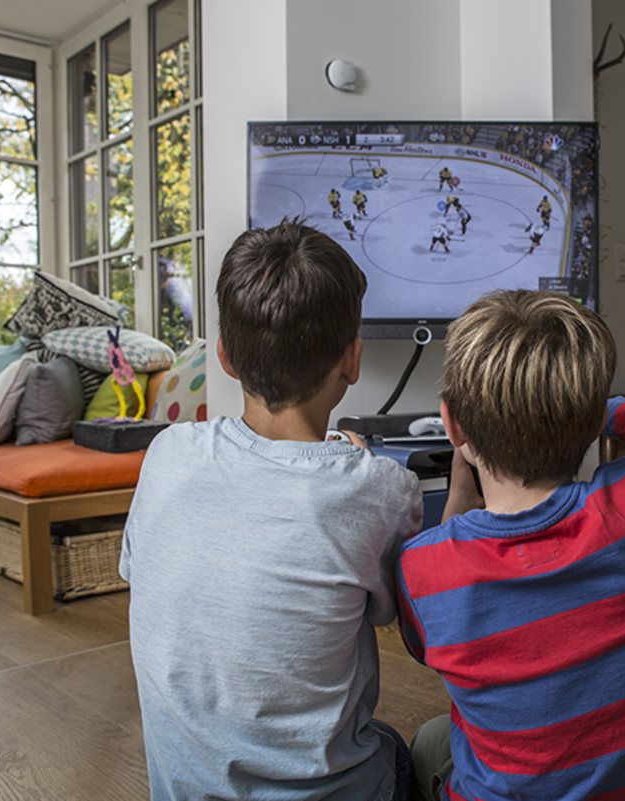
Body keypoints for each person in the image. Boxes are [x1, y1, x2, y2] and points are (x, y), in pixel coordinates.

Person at [122, 219, 423, 801]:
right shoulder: (381, 488)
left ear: (227, 359)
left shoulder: (166, 454)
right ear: (352, 361)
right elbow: (408, 618)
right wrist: (360, 472)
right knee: (412, 748)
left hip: (185, 789)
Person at [397, 289, 625, 801]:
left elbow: (425, 648)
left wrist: (458, 500)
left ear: (453, 425)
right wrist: (610, 408)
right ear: (595, 423)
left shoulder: (423, 567)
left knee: (428, 741)